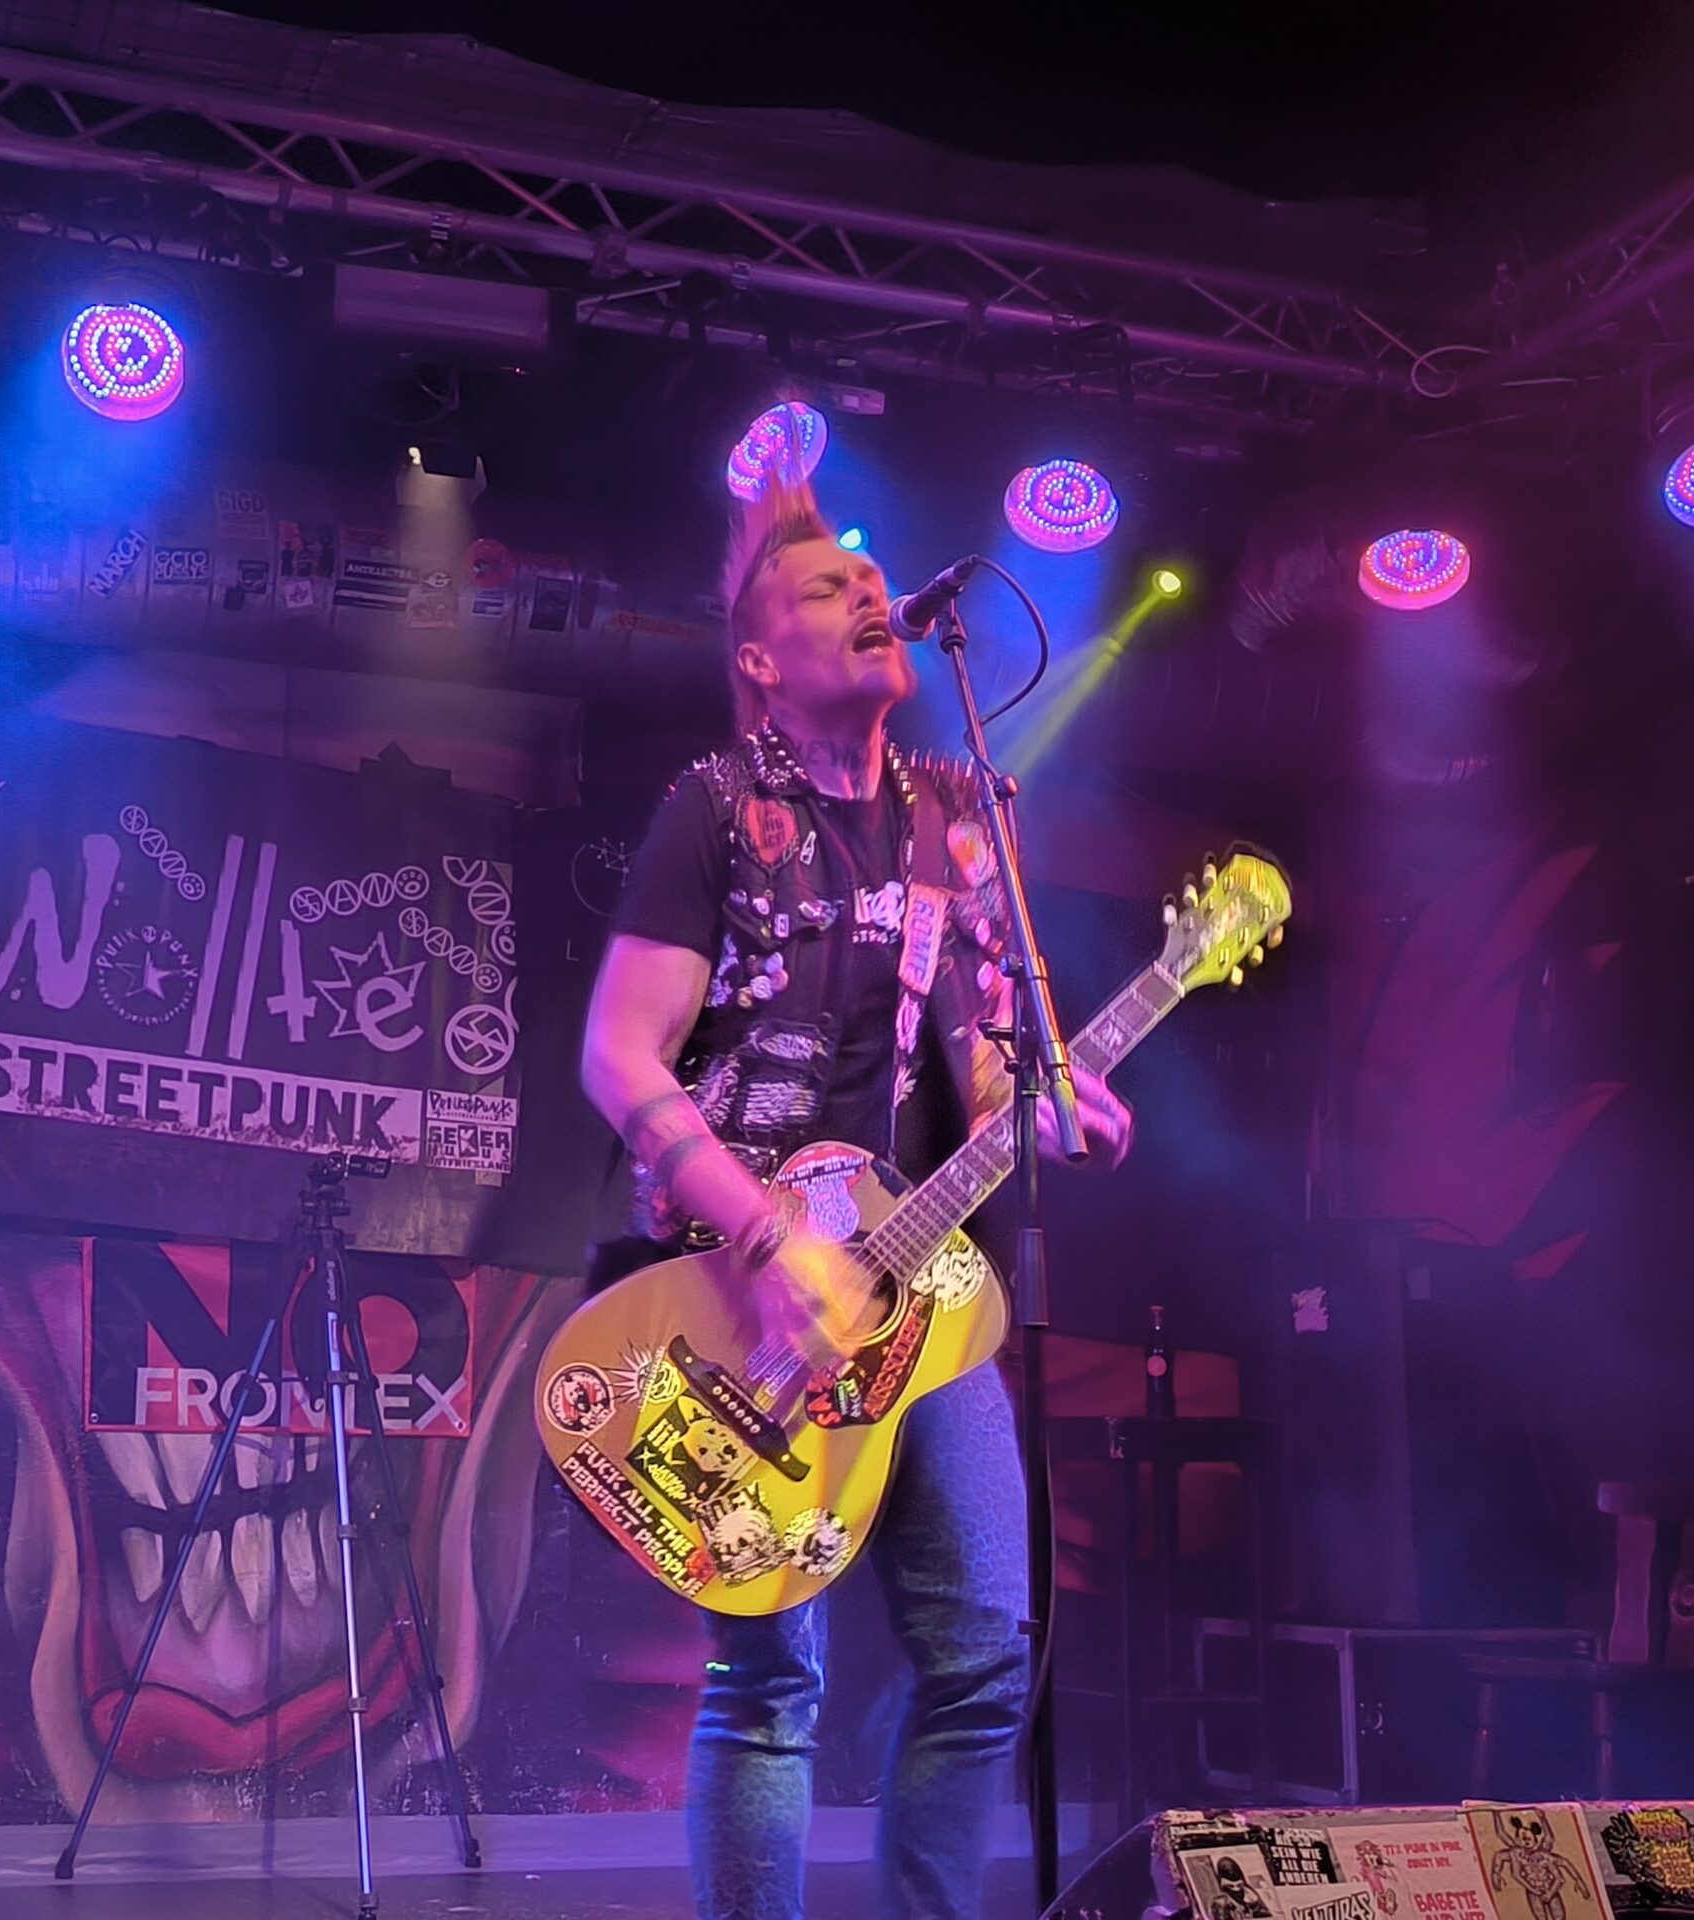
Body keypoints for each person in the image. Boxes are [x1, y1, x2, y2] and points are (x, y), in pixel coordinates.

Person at [578, 469, 1133, 1920]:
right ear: (760, 660)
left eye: (872, 581)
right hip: (741, 1291)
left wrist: (1046, 1107)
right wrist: (769, 1241)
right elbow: (618, 1053)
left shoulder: (965, 816)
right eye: (825, 587)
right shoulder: (715, 809)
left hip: (923, 1282)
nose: (869, 593)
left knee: (989, 1655)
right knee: (772, 1676)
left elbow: (993, 1067)